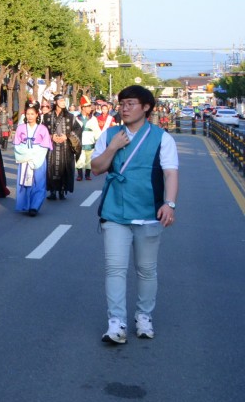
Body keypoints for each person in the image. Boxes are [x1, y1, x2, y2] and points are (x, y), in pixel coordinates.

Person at [91, 85, 178, 345]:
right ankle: (116, 322)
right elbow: (96, 168)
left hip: (149, 213)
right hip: (115, 212)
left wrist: (169, 204)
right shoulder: (110, 135)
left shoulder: (162, 138)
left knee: (146, 270)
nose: (124, 108)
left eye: (131, 103)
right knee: (115, 269)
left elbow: (171, 172)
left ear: (146, 107)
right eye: (122, 104)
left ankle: (144, 317)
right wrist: (113, 147)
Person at [13, 100, 52, 216]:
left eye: (32, 114)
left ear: (37, 115)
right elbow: (16, 144)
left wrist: (34, 154)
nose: (30, 116)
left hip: (38, 158)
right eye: (28, 114)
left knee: (39, 183)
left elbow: (45, 146)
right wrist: (26, 154)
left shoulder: (43, 129)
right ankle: (25, 204)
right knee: (24, 182)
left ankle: (34, 206)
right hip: (24, 158)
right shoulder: (20, 128)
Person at [42, 95, 78, 201]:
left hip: (66, 146)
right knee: (51, 168)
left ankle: (62, 190)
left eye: (64, 101)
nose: (63, 102)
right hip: (52, 146)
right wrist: (50, 136)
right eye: (61, 100)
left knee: (64, 168)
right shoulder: (47, 116)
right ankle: (53, 191)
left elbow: (77, 129)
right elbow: (42, 131)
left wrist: (66, 136)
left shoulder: (70, 116)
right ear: (55, 102)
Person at [74, 95, 102, 182]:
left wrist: (98, 140)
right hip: (80, 141)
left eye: (90, 106)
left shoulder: (93, 119)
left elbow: (97, 130)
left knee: (89, 159)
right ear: (83, 108)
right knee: (80, 159)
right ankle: (79, 175)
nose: (90, 108)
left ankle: (87, 174)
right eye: (88, 107)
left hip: (90, 141)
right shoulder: (76, 118)